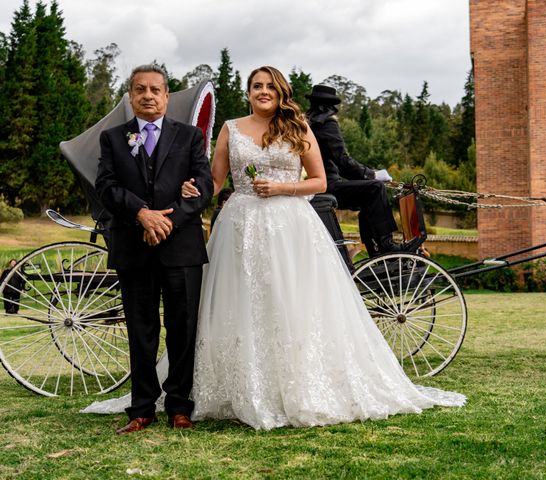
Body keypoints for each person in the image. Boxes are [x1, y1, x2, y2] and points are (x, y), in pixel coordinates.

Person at [84, 66, 464, 430]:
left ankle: (293, 385)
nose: (262, 91)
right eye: (256, 86)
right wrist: (194, 194)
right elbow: (213, 180)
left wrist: (283, 188)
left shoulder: (299, 128)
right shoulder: (231, 129)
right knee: (238, 305)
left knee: (290, 304)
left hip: (290, 226)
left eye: (269, 86)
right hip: (240, 225)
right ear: (248, 93)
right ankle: (224, 388)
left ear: (281, 93)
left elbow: (318, 182)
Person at [95, 64, 213, 434]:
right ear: (130, 95)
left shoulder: (191, 137)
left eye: (155, 90)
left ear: (166, 95)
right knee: (140, 329)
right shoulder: (113, 138)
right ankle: (142, 409)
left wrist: (167, 221)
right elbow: (107, 187)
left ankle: (180, 406)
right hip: (133, 245)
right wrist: (142, 214)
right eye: (140, 89)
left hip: (181, 248)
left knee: (183, 327)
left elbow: (204, 188)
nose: (148, 95)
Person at [306, 84, 422, 256]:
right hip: (328, 185)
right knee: (375, 188)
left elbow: (340, 164)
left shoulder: (311, 123)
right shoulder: (326, 123)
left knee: (368, 195)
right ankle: (385, 245)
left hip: (322, 184)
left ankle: (375, 247)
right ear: (331, 106)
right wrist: (373, 174)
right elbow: (342, 161)